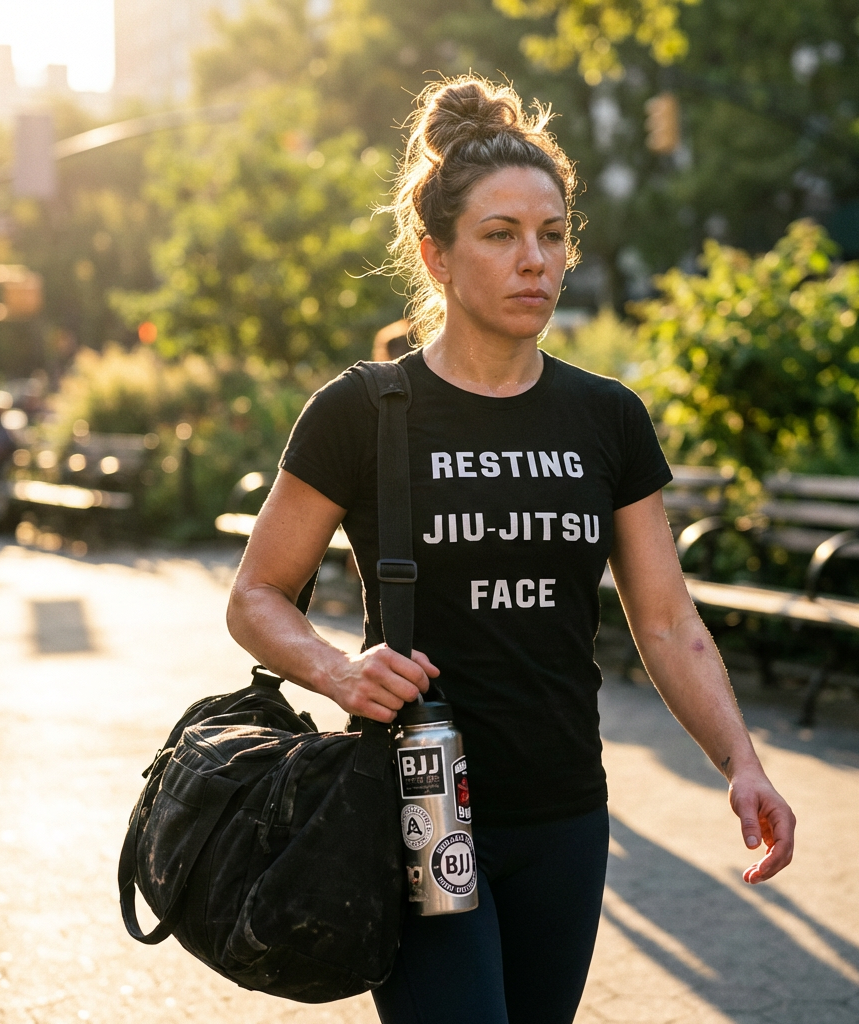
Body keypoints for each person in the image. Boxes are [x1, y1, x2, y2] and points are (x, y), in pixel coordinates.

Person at [227, 76, 795, 1024]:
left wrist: (741, 761)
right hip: (420, 806)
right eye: (500, 235)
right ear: (436, 255)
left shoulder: (606, 416)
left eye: (553, 234)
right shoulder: (362, 411)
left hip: (566, 812)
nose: (535, 261)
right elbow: (255, 596)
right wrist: (334, 670)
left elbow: (665, 620)